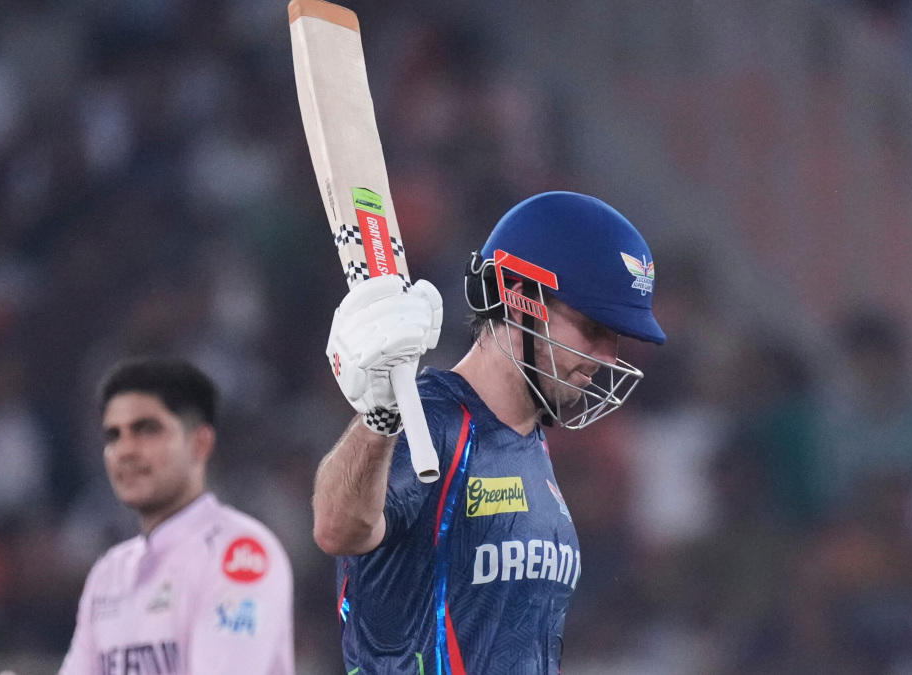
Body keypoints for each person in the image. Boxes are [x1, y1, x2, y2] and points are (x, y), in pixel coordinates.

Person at [313, 192, 666, 674]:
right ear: (519, 296)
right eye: (593, 327)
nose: (607, 357)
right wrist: (379, 417)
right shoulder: (432, 421)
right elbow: (337, 527)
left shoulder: (530, 443)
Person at [60, 357, 294, 675]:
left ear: (200, 443)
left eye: (146, 430)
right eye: (113, 436)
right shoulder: (108, 575)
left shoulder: (240, 554)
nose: (125, 450)